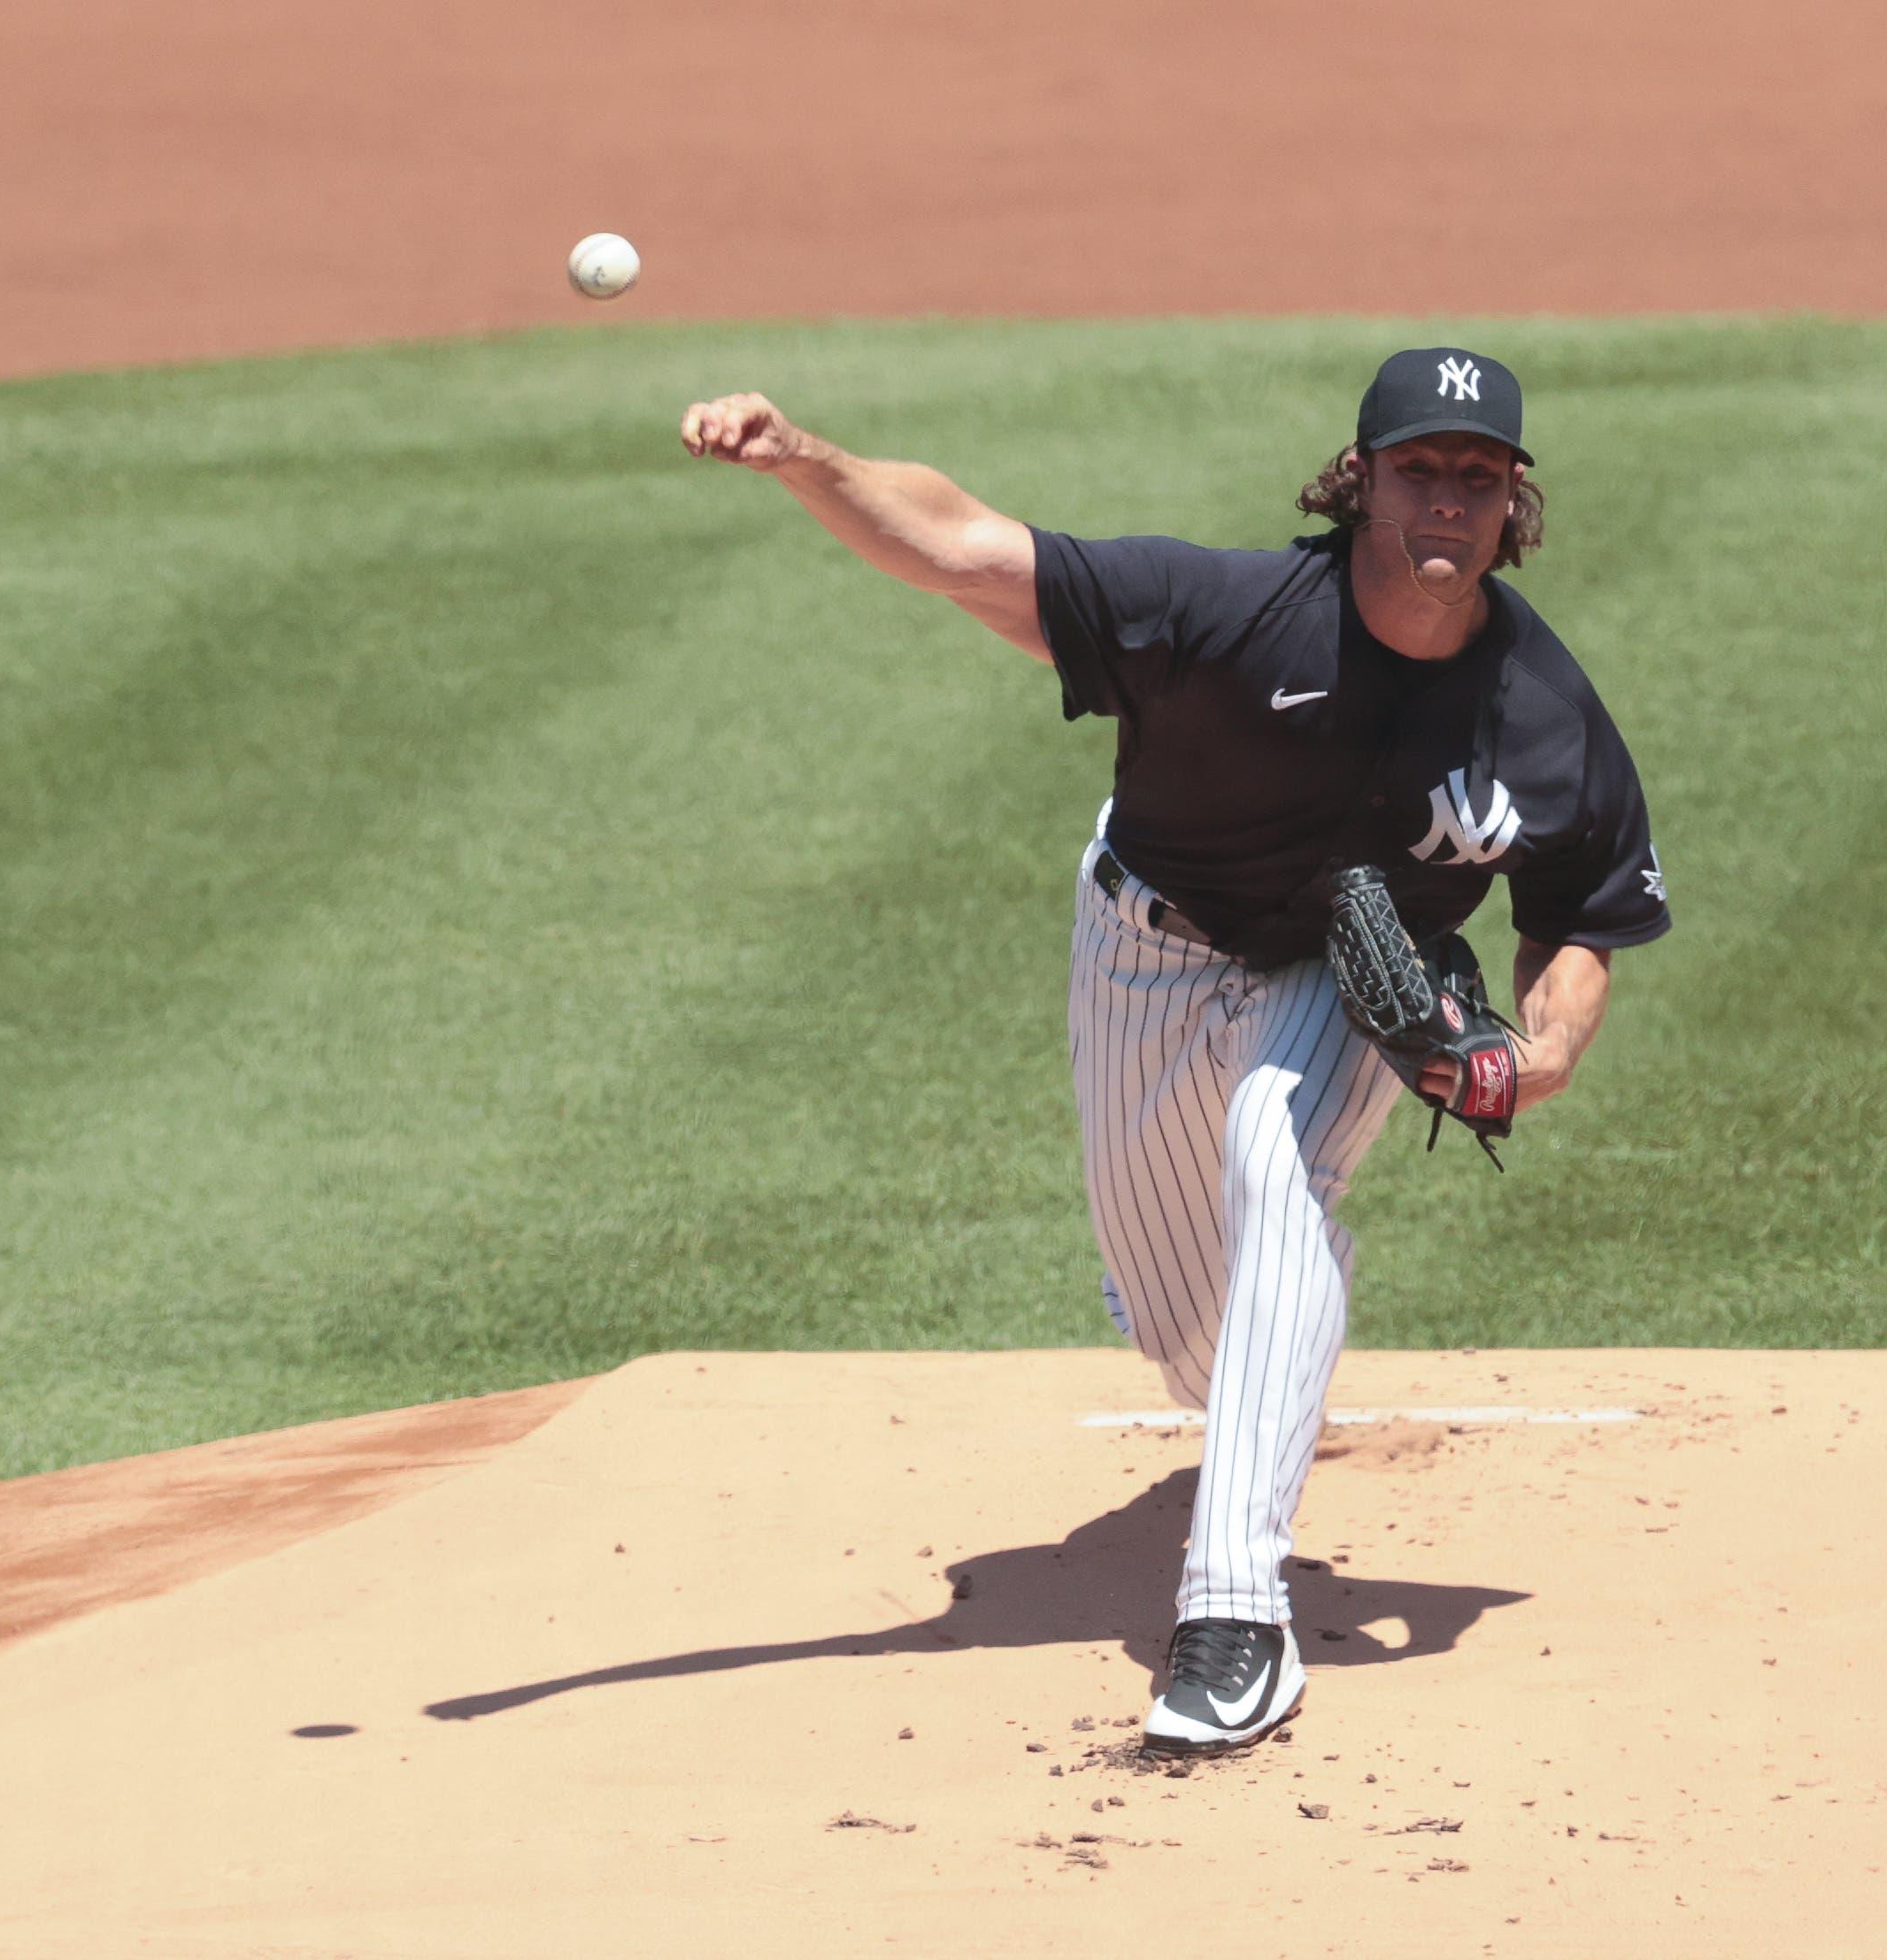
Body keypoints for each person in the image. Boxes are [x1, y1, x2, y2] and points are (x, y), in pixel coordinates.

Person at [680, 347, 1669, 1755]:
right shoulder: (1226, 615)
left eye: (1477, 477)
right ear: (1360, 484)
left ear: (1513, 504)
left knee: (1280, 1177)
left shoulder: (1547, 715)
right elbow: (963, 548)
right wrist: (804, 459)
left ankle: (1233, 1618)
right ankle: (1208, 1321)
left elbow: (1584, 918)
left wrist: (1543, 1057)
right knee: (1184, 1334)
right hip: (1147, 943)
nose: (1446, 500)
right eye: (1417, 471)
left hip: (1346, 972)